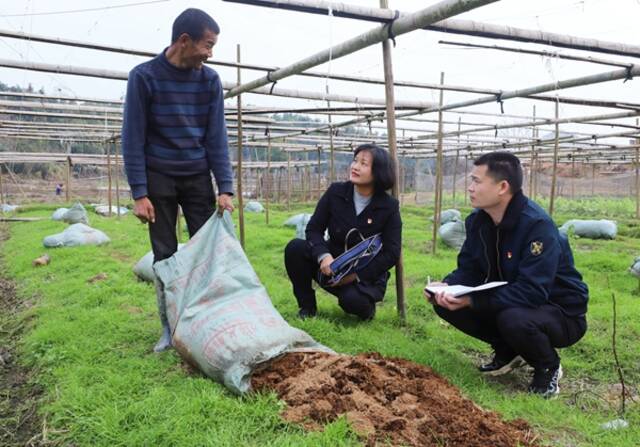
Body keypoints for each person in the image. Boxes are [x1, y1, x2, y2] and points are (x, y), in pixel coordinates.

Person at [425, 152, 588, 398]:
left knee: (514, 318)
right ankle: (508, 350)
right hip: (511, 300)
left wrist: (473, 300)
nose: (470, 188)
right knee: (446, 304)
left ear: (502, 187)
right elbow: (470, 269)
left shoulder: (537, 226)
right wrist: (446, 286)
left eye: (477, 181)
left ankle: (547, 365)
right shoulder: (478, 222)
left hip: (559, 312)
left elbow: (533, 291)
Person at [122, 8, 234, 352]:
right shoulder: (144, 77)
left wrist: (225, 187)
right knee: (165, 254)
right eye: (208, 44)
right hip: (159, 177)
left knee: (206, 250)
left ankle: (206, 323)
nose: (211, 53)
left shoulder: (210, 81)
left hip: (197, 176)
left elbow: (217, 136)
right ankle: (170, 328)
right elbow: (133, 137)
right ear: (184, 41)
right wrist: (140, 192)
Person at [284, 144, 402, 321]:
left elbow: (392, 253)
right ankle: (307, 308)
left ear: (378, 172)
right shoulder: (336, 192)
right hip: (332, 265)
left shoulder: (389, 206)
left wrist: (356, 275)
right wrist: (323, 255)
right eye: (355, 161)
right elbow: (314, 228)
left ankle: (366, 309)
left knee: (352, 301)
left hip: (364, 275)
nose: (355, 167)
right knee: (295, 248)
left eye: (363, 163)